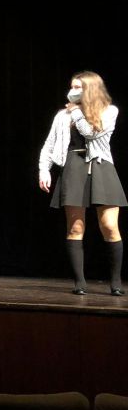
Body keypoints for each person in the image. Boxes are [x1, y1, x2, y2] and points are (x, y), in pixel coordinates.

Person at [39, 71, 126, 295]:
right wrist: (44, 170)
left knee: (109, 226)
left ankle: (116, 281)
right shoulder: (62, 115)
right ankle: (80, 282)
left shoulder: (109, 111)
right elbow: (49, 144)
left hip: (101, 167)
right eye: (72, 87)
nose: (72, 91)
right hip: (73, 167)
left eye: (78, 87)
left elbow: (91, 133)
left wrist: (77, 113)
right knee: (76, 226)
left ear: (91, 89)